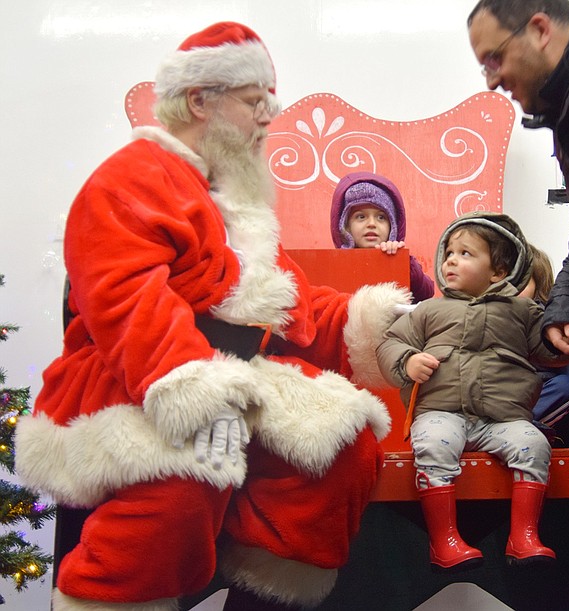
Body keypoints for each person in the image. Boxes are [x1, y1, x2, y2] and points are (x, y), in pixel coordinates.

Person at [14, 22, 412, 611]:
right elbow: (128, 304)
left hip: (238, 379)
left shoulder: (239, 205)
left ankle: (261, 593)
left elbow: (293, 308)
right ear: (200, 99)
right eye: (255, 103)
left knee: (343, 451)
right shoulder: (130, 178)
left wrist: (383, 330)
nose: (265, 120)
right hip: (135, 381)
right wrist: (198, 392)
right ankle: (109, 598)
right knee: (189, 474)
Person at [376, 211, 569, 571]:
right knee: (434, 445)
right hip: (441, 411)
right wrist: (407, 361)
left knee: (534, 444)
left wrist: (564, 341)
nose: (451, 259)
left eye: (466, 253)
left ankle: (523, 535)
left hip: (502, 418)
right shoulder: (428, 310)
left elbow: (545, 349)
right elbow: (391, 341)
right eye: (449, 252)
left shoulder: (522, 311)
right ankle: (444, 540)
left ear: (499, 271)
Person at [467, 0, 569, 358]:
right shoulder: (564, 114)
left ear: (540, 30)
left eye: (493, 59)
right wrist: (564, 307)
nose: (493, 82)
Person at [330, 171, 435, 303]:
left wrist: (402, 262)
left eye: (381, 217)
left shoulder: (398, 257)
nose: (372, 224)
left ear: (392, 226)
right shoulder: (333, 268)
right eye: (361, 217)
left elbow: (426, 293)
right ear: (345, 226)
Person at [521, 244, 569, 445]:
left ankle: (523, 425)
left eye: (523, 282)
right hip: (505, 393)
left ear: (539, 284)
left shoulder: (545, 318)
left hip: (541, 389)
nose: (513, 289)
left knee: (565, 387)